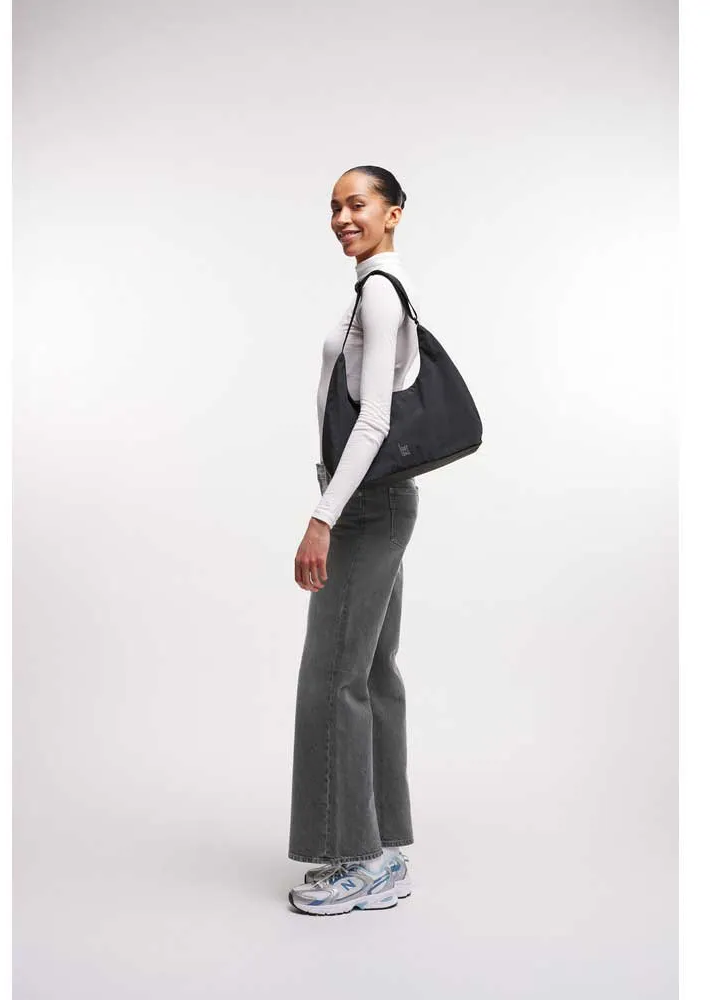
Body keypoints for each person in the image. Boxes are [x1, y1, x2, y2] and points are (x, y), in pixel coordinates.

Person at [287, 166, 421, 915]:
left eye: (358, 203)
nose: (342, 217)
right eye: (335, 206)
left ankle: (357, 859)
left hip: (365, 506)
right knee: (370, 675)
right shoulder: (376, 289)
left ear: (392, 213)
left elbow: (372, 420)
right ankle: (384, 850)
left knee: (334, 679)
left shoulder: (378, 292)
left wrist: (322, 517)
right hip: (379, 503)